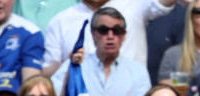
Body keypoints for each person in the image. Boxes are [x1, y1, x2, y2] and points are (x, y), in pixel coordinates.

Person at [51, 7, 151, 96]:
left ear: (124, 35)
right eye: (103, 30)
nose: (110, 36)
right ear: (93, 34)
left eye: (117, 31)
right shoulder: (74, 67)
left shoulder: (138, 71)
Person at [42, 0, 179, 76]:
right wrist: (69, 63)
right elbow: (46, 71)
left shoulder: (135, 5)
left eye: (117, 30)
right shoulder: (60, 20)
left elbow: (163, 3)